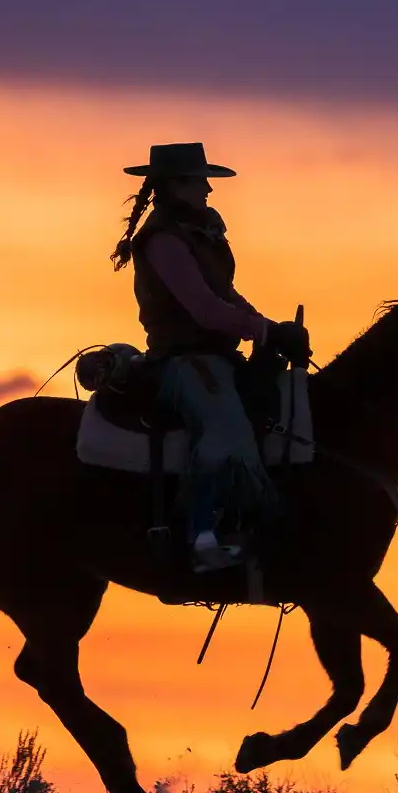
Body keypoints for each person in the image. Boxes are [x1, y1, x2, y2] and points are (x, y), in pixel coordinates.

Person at [108, 143, 311, 571]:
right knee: (225, 429)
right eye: (198, 180)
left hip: (216, 355)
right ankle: (204, 537)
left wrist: (266, 326)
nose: (207, 189)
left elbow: (225, 296)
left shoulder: (201, 232)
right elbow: (202, 306)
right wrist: (264, 330)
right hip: (182, 360)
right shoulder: (163, 239)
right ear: (174, 186)